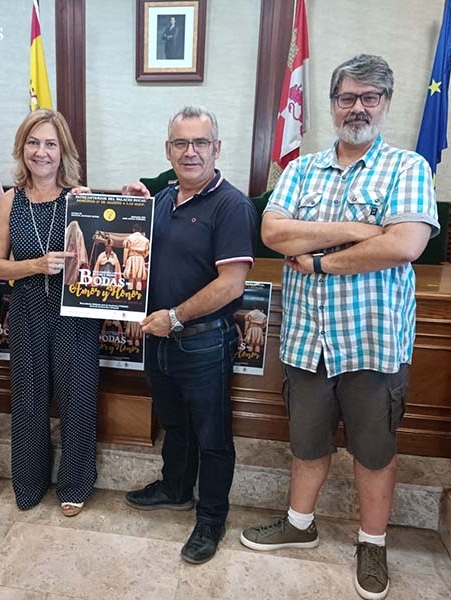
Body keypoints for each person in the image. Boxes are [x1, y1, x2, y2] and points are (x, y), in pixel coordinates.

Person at [240, 55, 439, 600]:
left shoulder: (407, 168)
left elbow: (404, 244)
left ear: (385, 103)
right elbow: (274, 233)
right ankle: (299, 525)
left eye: (369, 97)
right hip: (308, 340)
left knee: (374, 451)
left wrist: (323, 258)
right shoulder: (301, 169)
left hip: (373, 344)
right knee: (307, 443)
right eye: (347, 97)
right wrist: (354, 229)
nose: (357, 107)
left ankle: (372, 542)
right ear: (332, 104)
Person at [122, 106, 259, 564]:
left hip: (201, 340)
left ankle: (211, 519)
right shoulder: (161, 201)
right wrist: (130, 209)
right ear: (168, 150)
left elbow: (231, 285)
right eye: (181, 143)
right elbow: (132, 252)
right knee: (174, 424)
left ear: (217, 149)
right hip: (157, 339)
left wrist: (175, 317)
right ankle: (176, 489)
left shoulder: (232, 205)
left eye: (201, 143)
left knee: (212, 434)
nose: (191, 152)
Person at [0, 109, 100, 518]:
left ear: (63, 150)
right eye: (34, 143)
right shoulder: (9, 201)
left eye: (51, 143)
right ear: (22, 149)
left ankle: (74, 483)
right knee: (29, 398)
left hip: (76, 313)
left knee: (77, 397)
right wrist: (35, 265)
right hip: (27, 308)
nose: (42, 152)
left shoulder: (79, 197)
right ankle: (29, 481)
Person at [122, 224, 150, 291]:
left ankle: (131, 297)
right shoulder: (145, 240)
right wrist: (142, 256)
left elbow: (126, 251)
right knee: (139, 280)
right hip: (140, 260)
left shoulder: (129, 238)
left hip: (131, 258)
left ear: (133, 230)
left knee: (131, 279)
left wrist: (124, 262)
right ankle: (138, 297)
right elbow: (148, 251)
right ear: (140, 230)